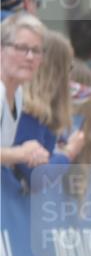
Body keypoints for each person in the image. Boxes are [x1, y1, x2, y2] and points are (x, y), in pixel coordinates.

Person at [12, 30, 84, 187]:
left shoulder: (34, 107)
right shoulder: (29, 111)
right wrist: (69, 152)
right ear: (56, 70)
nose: (70, 76)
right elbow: (37, 176)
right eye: (69, 67)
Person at [1, 12, 49, 170]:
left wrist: (33, 153)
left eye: (36, 51)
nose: (30, 57)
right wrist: (21, 153)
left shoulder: (18, 92)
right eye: (21, 48)